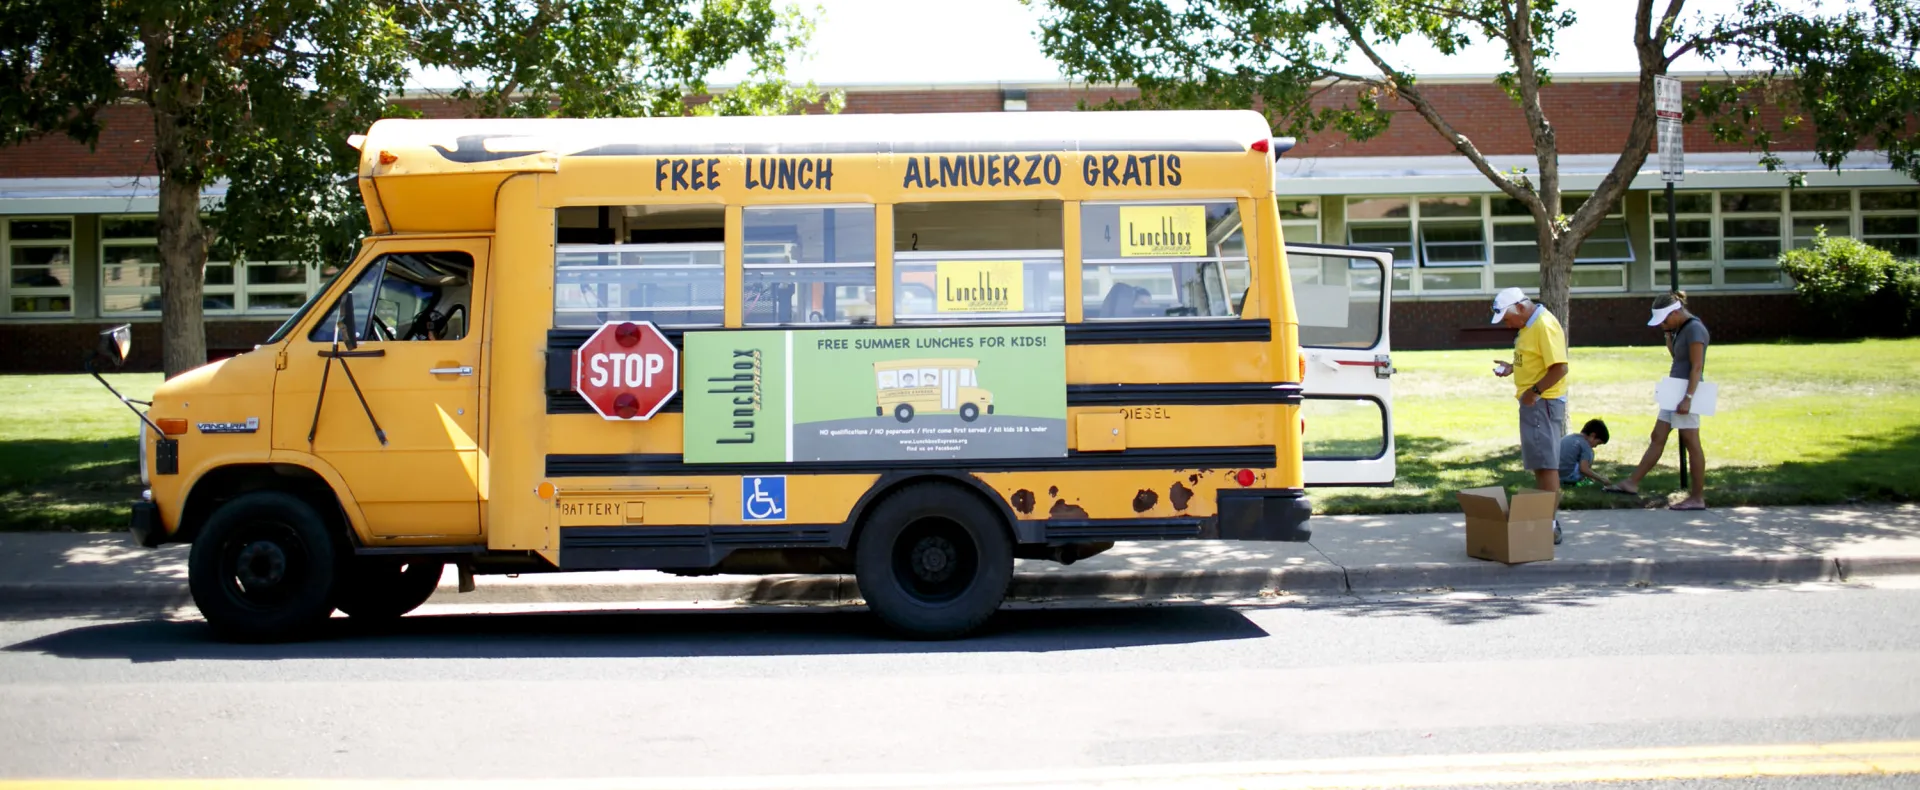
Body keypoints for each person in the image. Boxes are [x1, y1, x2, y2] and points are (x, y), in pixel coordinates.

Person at [1606, 292, 1710, 510]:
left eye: (1664, 320)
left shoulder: (1695, 329)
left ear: (1674, 312)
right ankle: (1632, 483)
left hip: (1686, 392)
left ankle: (1697, 497)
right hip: (1673, 390)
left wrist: (1688, 398)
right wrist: (1668, 334)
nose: (1663, 324)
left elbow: (1697, 366)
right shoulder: (1679, 328)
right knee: (1657, 436)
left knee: (1692, 443)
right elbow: (1676, 356)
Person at [1489, 287, 1570, 544]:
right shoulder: (1529, 326)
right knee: (1540, 463)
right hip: (1536, 402)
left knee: (1546, 465)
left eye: (1507, 318)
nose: (1507, 324)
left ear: (1521, 308)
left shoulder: (1544, 325)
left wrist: (1534, 392)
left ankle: (1550, 524)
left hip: (1542, 403)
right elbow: (1537, 359)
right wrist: (1513, 368)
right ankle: (1545, 520)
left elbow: (1559, 368)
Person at [1559, 419, 1613, 488]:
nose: (1595, 446)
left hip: (1555, 475)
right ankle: (1582, 480)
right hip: (1568, 478)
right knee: (1590, 454)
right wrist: (1602, 479)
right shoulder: (1586, 446)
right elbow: (1584, 469)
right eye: (1598, 443)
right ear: (1592, 436)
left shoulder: (1567, 438)